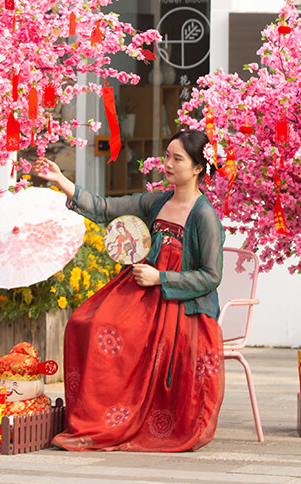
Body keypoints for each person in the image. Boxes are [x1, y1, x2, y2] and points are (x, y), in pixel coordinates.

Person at [38, 128, 225, 452]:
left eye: (176, 158)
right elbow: (105, 208)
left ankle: (119, 419)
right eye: (166, 156)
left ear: (197, 168)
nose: (166, 163)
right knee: (86, 322)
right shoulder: (157, 201)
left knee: (112, 332)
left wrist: (161, 279)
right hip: (144, 293)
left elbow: (210, 276)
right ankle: (94, 418)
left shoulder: (204, 215)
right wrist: (62, 181)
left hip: (181, 307)